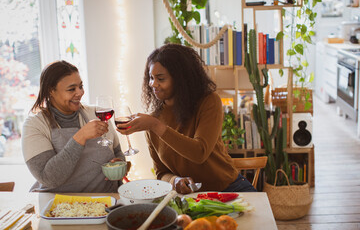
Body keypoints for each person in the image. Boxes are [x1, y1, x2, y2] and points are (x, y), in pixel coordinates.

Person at [116, 44, 256, 194]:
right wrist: (174, 180)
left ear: (181, 79)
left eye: (160, 78)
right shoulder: (153, 120)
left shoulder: (208, 102)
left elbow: (199, 152)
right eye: (151, 78)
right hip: (191, 197)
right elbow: (161, 173)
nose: (153, 84)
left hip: (229, 189)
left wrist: (155, 125)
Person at [22, 60, 126, 192]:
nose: (80, 92)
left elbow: (118, 153)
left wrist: (118, 165)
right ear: (51, 91)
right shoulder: (35, 125)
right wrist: (80, 137)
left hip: (106, 203)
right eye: (72, 89)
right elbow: (48, 178)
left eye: (81, 86)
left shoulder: (97, 113)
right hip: (58, 207)